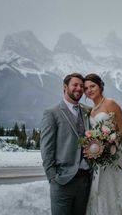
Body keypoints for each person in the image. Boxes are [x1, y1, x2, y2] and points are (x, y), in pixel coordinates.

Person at [83, 73, 122, 215]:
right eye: (86, 88)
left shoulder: (111, 103)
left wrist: (108, 144)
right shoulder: (91, 111)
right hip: (98, 159)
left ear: (100, 86)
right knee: (99, 190)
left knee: (116, 189)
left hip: (113, 155)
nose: (89, 90)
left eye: (92, 86)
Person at [41, 73, 92, 215]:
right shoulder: (52, 113)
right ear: (65, 87)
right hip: (62, 181)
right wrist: (53, 178)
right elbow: (46, 148)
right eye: (75, 85)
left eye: (82, 86)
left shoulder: (87, 112)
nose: (79, 88)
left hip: (84, 180)